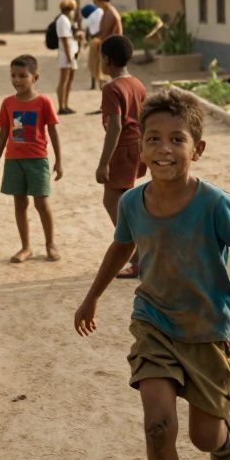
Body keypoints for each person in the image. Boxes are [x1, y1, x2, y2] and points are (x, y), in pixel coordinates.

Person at [74, 88, 230, 460]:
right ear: (140, 148)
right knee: (159, 426)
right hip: (154, 324)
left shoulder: (215, 203)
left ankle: (222, 437)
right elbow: (121, 248)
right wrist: (92, 298)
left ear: (197, 149)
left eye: (177, 139)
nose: (164, 149)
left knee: (202, 437)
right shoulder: (131, 202)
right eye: (153, 139)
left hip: (205, 331)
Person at [0, 55, 63, 263]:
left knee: (41, 203)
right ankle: (26, 247)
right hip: (13, 160)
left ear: (35, 77)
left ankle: (50, 244)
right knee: (19, 203)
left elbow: (53, 132)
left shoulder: (43, 102)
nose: (17, 80)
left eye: (23, 75)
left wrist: (59, 160)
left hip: (38, 160)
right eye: (13, 75)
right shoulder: (8, 103)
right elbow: (4, 133)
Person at [95, 35, 148, 278]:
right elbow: (145, 120)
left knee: (113, 203)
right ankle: (140, 254)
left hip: (122, 149)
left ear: (106, 60)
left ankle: (137, 256)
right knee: (126, 202)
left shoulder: (112, 88)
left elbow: (115, 127)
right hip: (137, 147)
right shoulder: (137, 83)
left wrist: (104, 162)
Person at [54, 0, 78, 115]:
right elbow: (64, 39)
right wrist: (69, 57)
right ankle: (61, 106)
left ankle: (66, 104)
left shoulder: (66, 19)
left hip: (70, 53)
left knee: (69, 80)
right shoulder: (62, 20)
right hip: (66, 54)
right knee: (64, 80)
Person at [82, 0, 106, 90]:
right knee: (99, 63)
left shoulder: (89, 18)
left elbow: (87, 29)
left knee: (93, 63)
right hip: (103, 38)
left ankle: (96, 83)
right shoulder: (101, 12)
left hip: (94, 40)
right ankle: (98, 82)